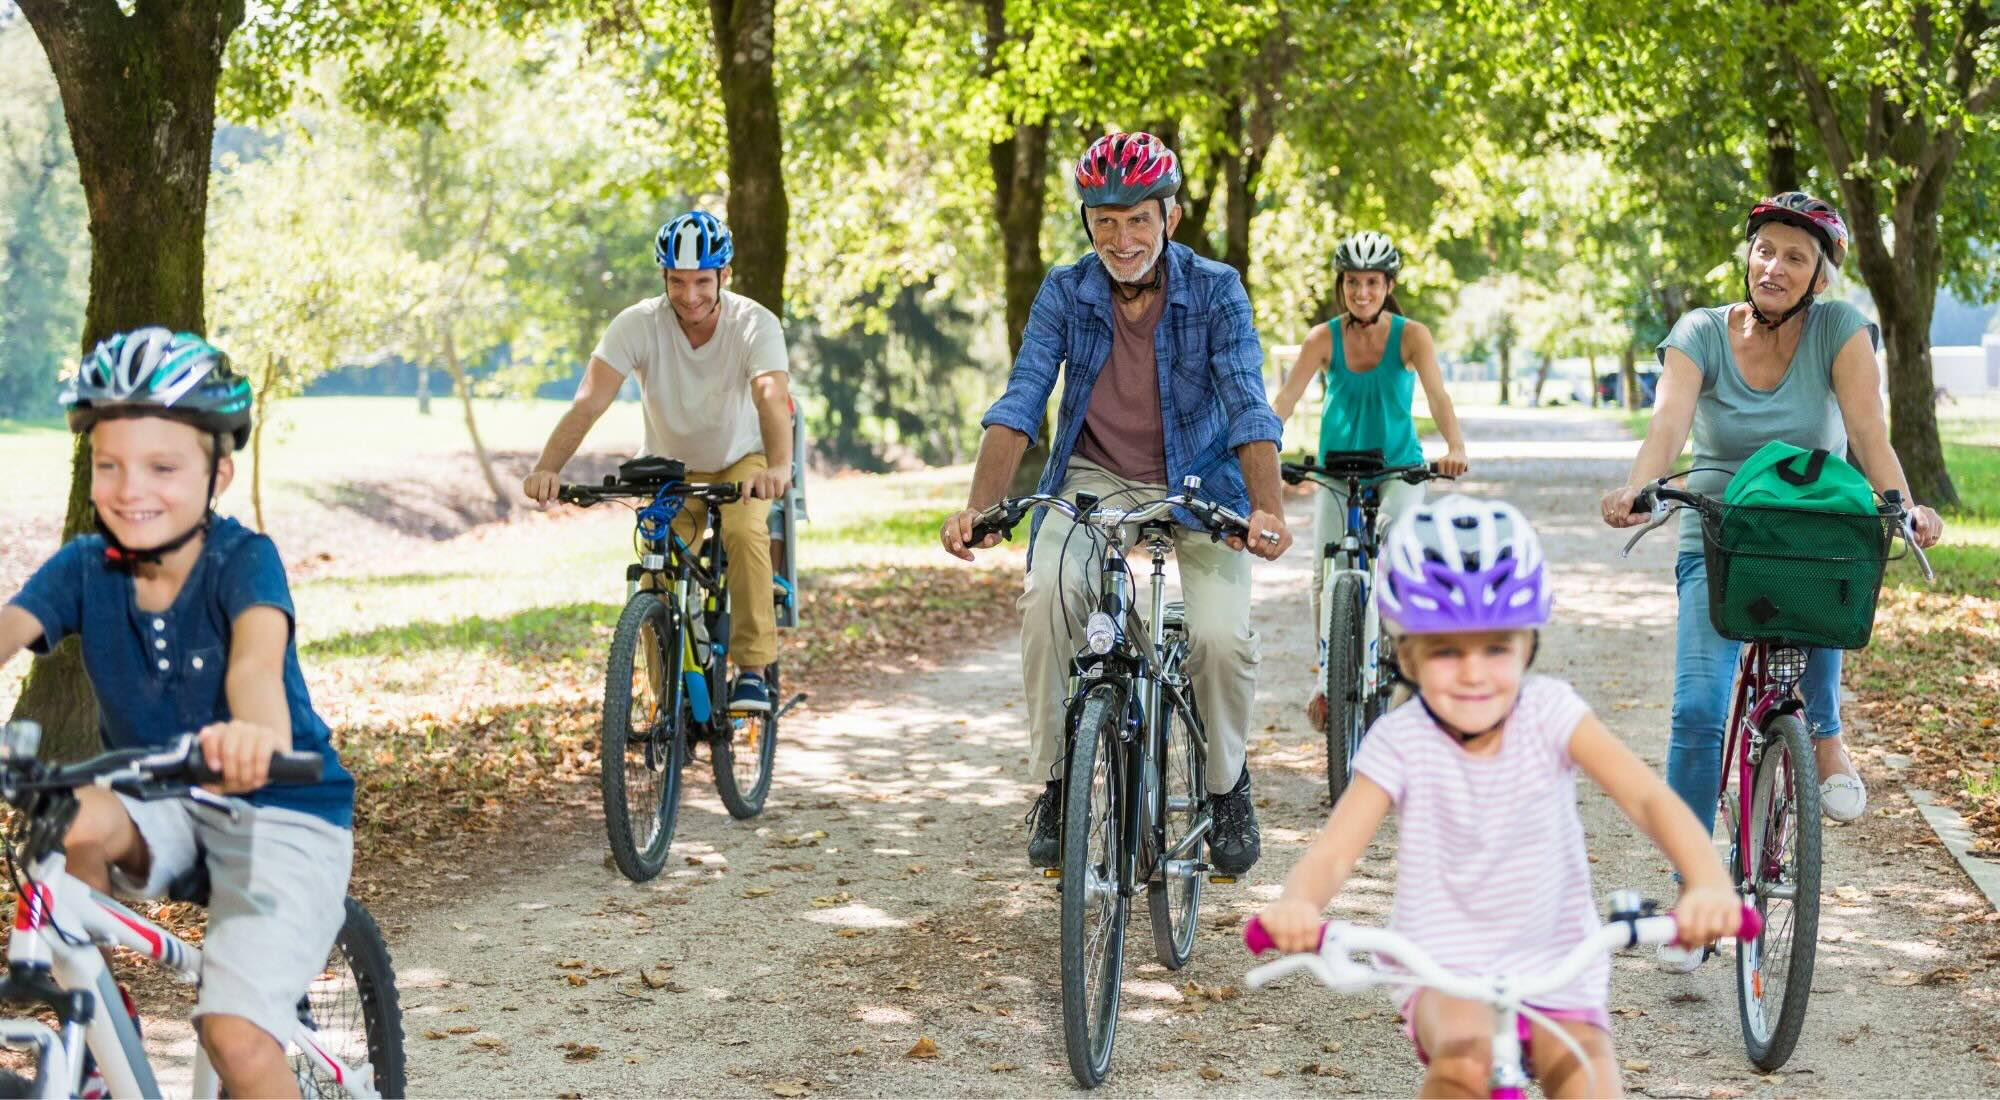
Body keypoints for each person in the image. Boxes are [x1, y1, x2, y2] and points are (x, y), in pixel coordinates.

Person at [1256, 496, 1740, 1099]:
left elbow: (1646, 799)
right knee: (1464, 1061)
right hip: (1444, 969)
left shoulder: (1550, 714)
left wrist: (1706, 880)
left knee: (1588, 1078)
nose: (1474, 672)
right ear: (1406, 654)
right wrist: (1298, 905)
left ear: (1527, 645)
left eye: (1495, 648)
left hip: (1558, 959)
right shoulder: (1401, 740)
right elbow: (1333, 852)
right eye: (1446, 651)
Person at [0, 328, 357, 1099]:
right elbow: (7, 629)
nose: (132, 489)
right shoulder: (84, 568)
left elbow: (257, 663)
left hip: (282, 813)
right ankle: (94, 1037)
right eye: (109, 465)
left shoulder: (242, 559)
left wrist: (252, 736)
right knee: (66, 819)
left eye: (163, 466)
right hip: (163, 806)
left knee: (234, 1035)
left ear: (216, 472)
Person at [1597, 191, 1944, 970]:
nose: (1775, 266)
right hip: (1719, 529)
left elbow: (1868, 433)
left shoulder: (1839, 329)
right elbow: (1668, 424)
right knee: (1695, 709)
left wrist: (1906, 505)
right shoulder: (1699, 333)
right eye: (1766, 249)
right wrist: (1641, 486)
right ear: (1746, 254)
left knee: (1834, 568)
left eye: (1796, 256)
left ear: (1819, 274)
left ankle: (1823, 734)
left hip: (1809, 524)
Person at [939, 131, 1290, 875]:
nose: (1121, 237)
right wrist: (982, 506)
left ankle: (1227, 787)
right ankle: (1060, 784)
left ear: (1171, 215)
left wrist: (1267, 510)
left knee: (1219, 641)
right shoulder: (1067, 291)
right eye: (1104, 219)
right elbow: (1023, 398)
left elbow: (1248, 404)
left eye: (1137, 219)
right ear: (1087, 222)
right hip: (1094, 478)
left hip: (1202, 484)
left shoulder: (1217, 289)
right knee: (1048, 599)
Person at [523, 210, 794, 711]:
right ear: (663, 277)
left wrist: (779, 466)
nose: (689, 295)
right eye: (677, 281)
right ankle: (665, 692)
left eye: (701, 281)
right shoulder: (637, 324)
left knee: (743, 531)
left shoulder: (755, 323)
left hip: (742, 459)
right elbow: (589, 401)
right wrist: (548, 468)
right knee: (656, 559)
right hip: (670, 466)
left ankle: (753, 670)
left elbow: (770, 394)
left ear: (724, 277)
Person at [1271, 231, 1471, 727]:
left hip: (1398, 467)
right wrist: (1261, 449)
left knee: (1401, 552)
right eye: (1353, 282)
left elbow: (1438, 397)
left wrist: (1455, 448)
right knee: (1324, 569)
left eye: (1373, 283)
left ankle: (1409, 663)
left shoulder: (1411, 336)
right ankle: (1325, 680)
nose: (1362, 292)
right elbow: (1285, 402)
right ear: (1342, 284)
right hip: (1336, 469)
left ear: (1389, 285)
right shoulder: (1322, 339)